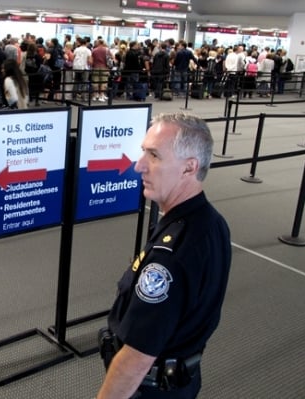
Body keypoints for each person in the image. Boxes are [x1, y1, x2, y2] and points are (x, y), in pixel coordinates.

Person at [97, 113, 232, 399]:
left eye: (154, 155)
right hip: (181, 380)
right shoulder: (211, 222)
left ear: (189, 168)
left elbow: (136, 359)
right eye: (143, 151)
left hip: (149, 389)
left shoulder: (170, 254)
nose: (139, 166)